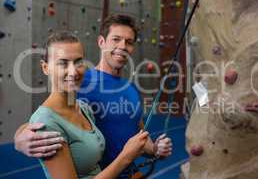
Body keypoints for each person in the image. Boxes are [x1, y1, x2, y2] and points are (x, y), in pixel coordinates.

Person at [14, 14, 172, 178]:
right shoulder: (79, 80)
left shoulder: (131, 89)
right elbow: (49, 117)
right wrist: (19, 138)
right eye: (116, 39)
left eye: (129, 42)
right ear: (101, 42)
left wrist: (154, 149)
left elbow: (138, 134)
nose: (122, 46)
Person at [26, 31, 149, 179]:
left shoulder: (83, 108)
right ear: (45, 67)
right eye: (63, 63)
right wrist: (125, 157)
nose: (73, 71)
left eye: (78, 62)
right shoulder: (46, 123)